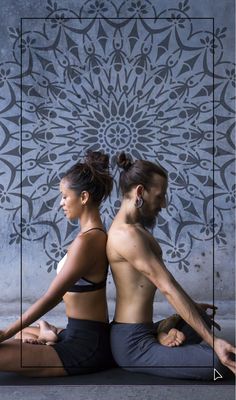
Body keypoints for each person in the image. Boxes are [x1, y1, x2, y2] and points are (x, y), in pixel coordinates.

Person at [107, 152, 236, 380]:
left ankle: (162, 333)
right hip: (132, 343)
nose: (163, 204)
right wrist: (214, 343)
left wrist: (192, 307)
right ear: (139, 192)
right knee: (217, 365)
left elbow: (169, 281)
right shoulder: (125, 235)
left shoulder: (136, 229)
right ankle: (163, 337)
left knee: (201, 316)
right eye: (160, 196)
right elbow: (166, 287)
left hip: (143, 329)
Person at [0, 150, 114, 377]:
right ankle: (47, 332)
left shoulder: (88, 241)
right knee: (25, 335)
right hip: (76, 332)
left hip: (85, 348)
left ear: (83, 197)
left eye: (64, 196)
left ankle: (47, 334)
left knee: (10, 340)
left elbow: (51, 297)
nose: (61, 203)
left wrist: (4, 332)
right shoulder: (92, 235)